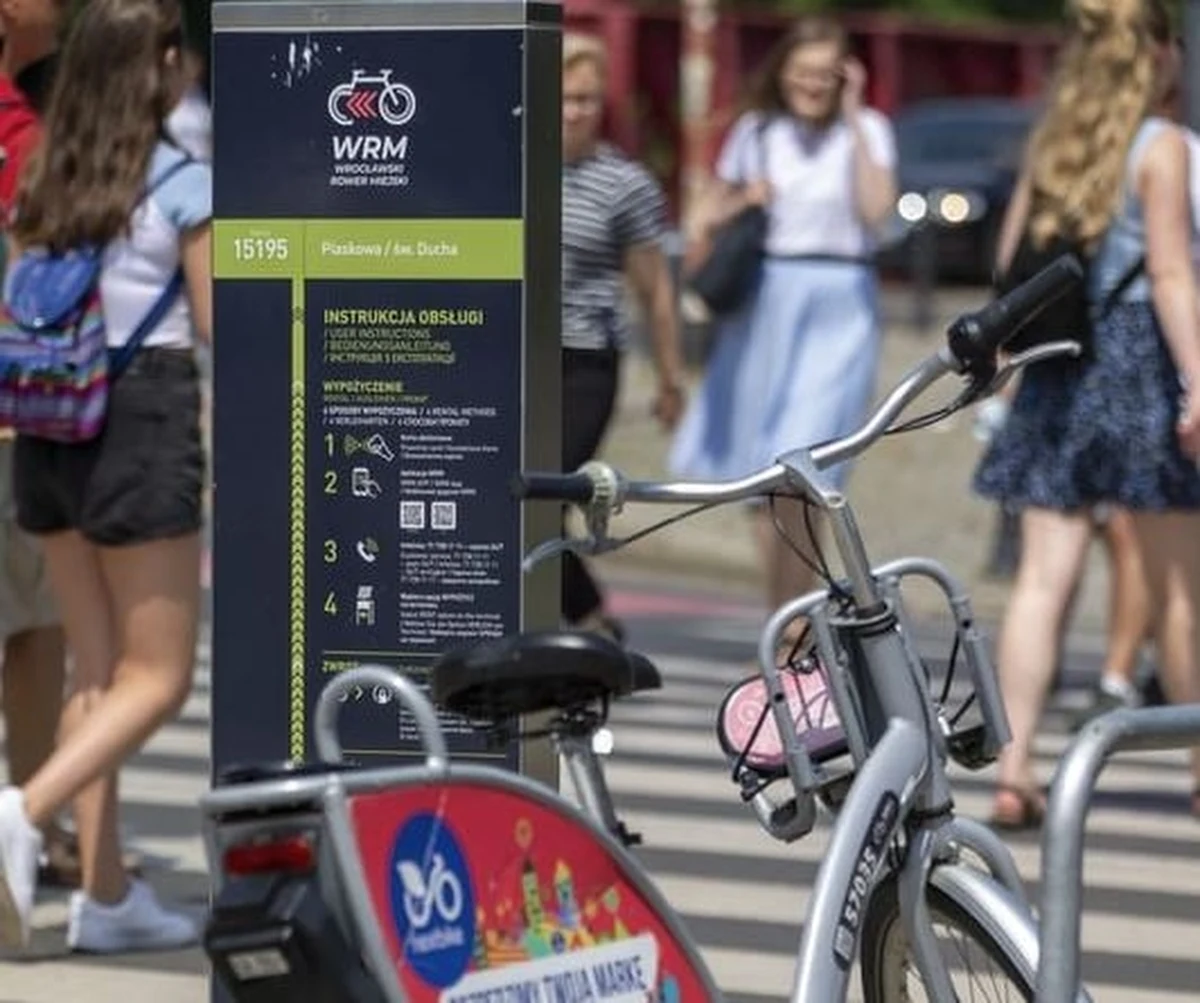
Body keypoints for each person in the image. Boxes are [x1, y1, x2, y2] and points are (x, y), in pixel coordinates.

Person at [0, 0, 210, 949]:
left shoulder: (46, 175)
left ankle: (108, 890)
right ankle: (23, 808)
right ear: (158, 66)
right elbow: (218, 326)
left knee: (97, 667)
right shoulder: (180, 180)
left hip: (48, 425)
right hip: (141, 417)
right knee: (158, 677)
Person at [973, 0, 1200, 828]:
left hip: (1058, 369)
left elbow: (1009, 266)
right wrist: (1199, 380)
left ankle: (1014, 764)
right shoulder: (1163, 147)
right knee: (1179, 584)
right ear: (1156, 54)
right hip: (1141, 363)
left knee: (1041, 580)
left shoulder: (1053, 144)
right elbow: (1173, 275)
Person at [669, 15, 896, 647]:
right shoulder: (756, 131)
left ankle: (795, 618)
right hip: (766, 302)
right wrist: (745, 199)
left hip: (841, 301)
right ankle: (788, 616)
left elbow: (878, 212)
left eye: (827, 75)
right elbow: (702, 216)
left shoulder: (869, 130)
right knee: (768, 471)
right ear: (782, 71)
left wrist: (853, 115)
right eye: (803, 73)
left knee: (809, 462)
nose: (813, 87)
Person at [559, 32, 685, 639]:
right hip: (509, 359)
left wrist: (669, 376)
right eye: (561, 97)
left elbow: (654, 289)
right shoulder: (500, 167)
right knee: (508, 503)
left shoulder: (623, 184)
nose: (574, 112)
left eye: (586, 99)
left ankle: (587, 620)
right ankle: (588, 618)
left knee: (545, 495)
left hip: (584, 360)